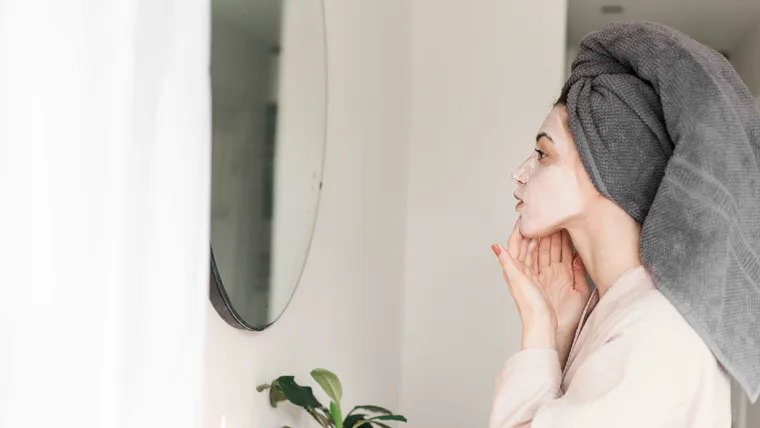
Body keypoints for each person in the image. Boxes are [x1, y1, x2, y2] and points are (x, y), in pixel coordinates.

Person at [488, 21, 760, 428]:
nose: (520, 173)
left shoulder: (660, 332)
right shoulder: (616, 311)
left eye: (543, 154)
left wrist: (539, 330)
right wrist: (560, 334)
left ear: (607, 170)